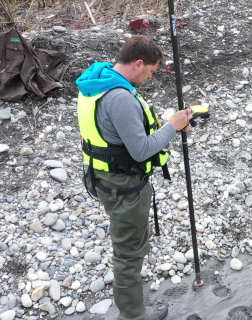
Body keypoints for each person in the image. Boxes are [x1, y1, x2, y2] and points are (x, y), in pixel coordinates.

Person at [76, 36, 193, 320]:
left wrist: (166, 126)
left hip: (104, 177)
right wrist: (172, 127)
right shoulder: (119, 98)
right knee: (129, 251)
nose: (150, 78)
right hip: (123, 186)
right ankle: (133, 314)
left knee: (127, 244)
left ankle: (130, 303)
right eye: (150, 72)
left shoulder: (100, 79)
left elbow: (119, 133)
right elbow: (140, 151)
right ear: (138, 64)